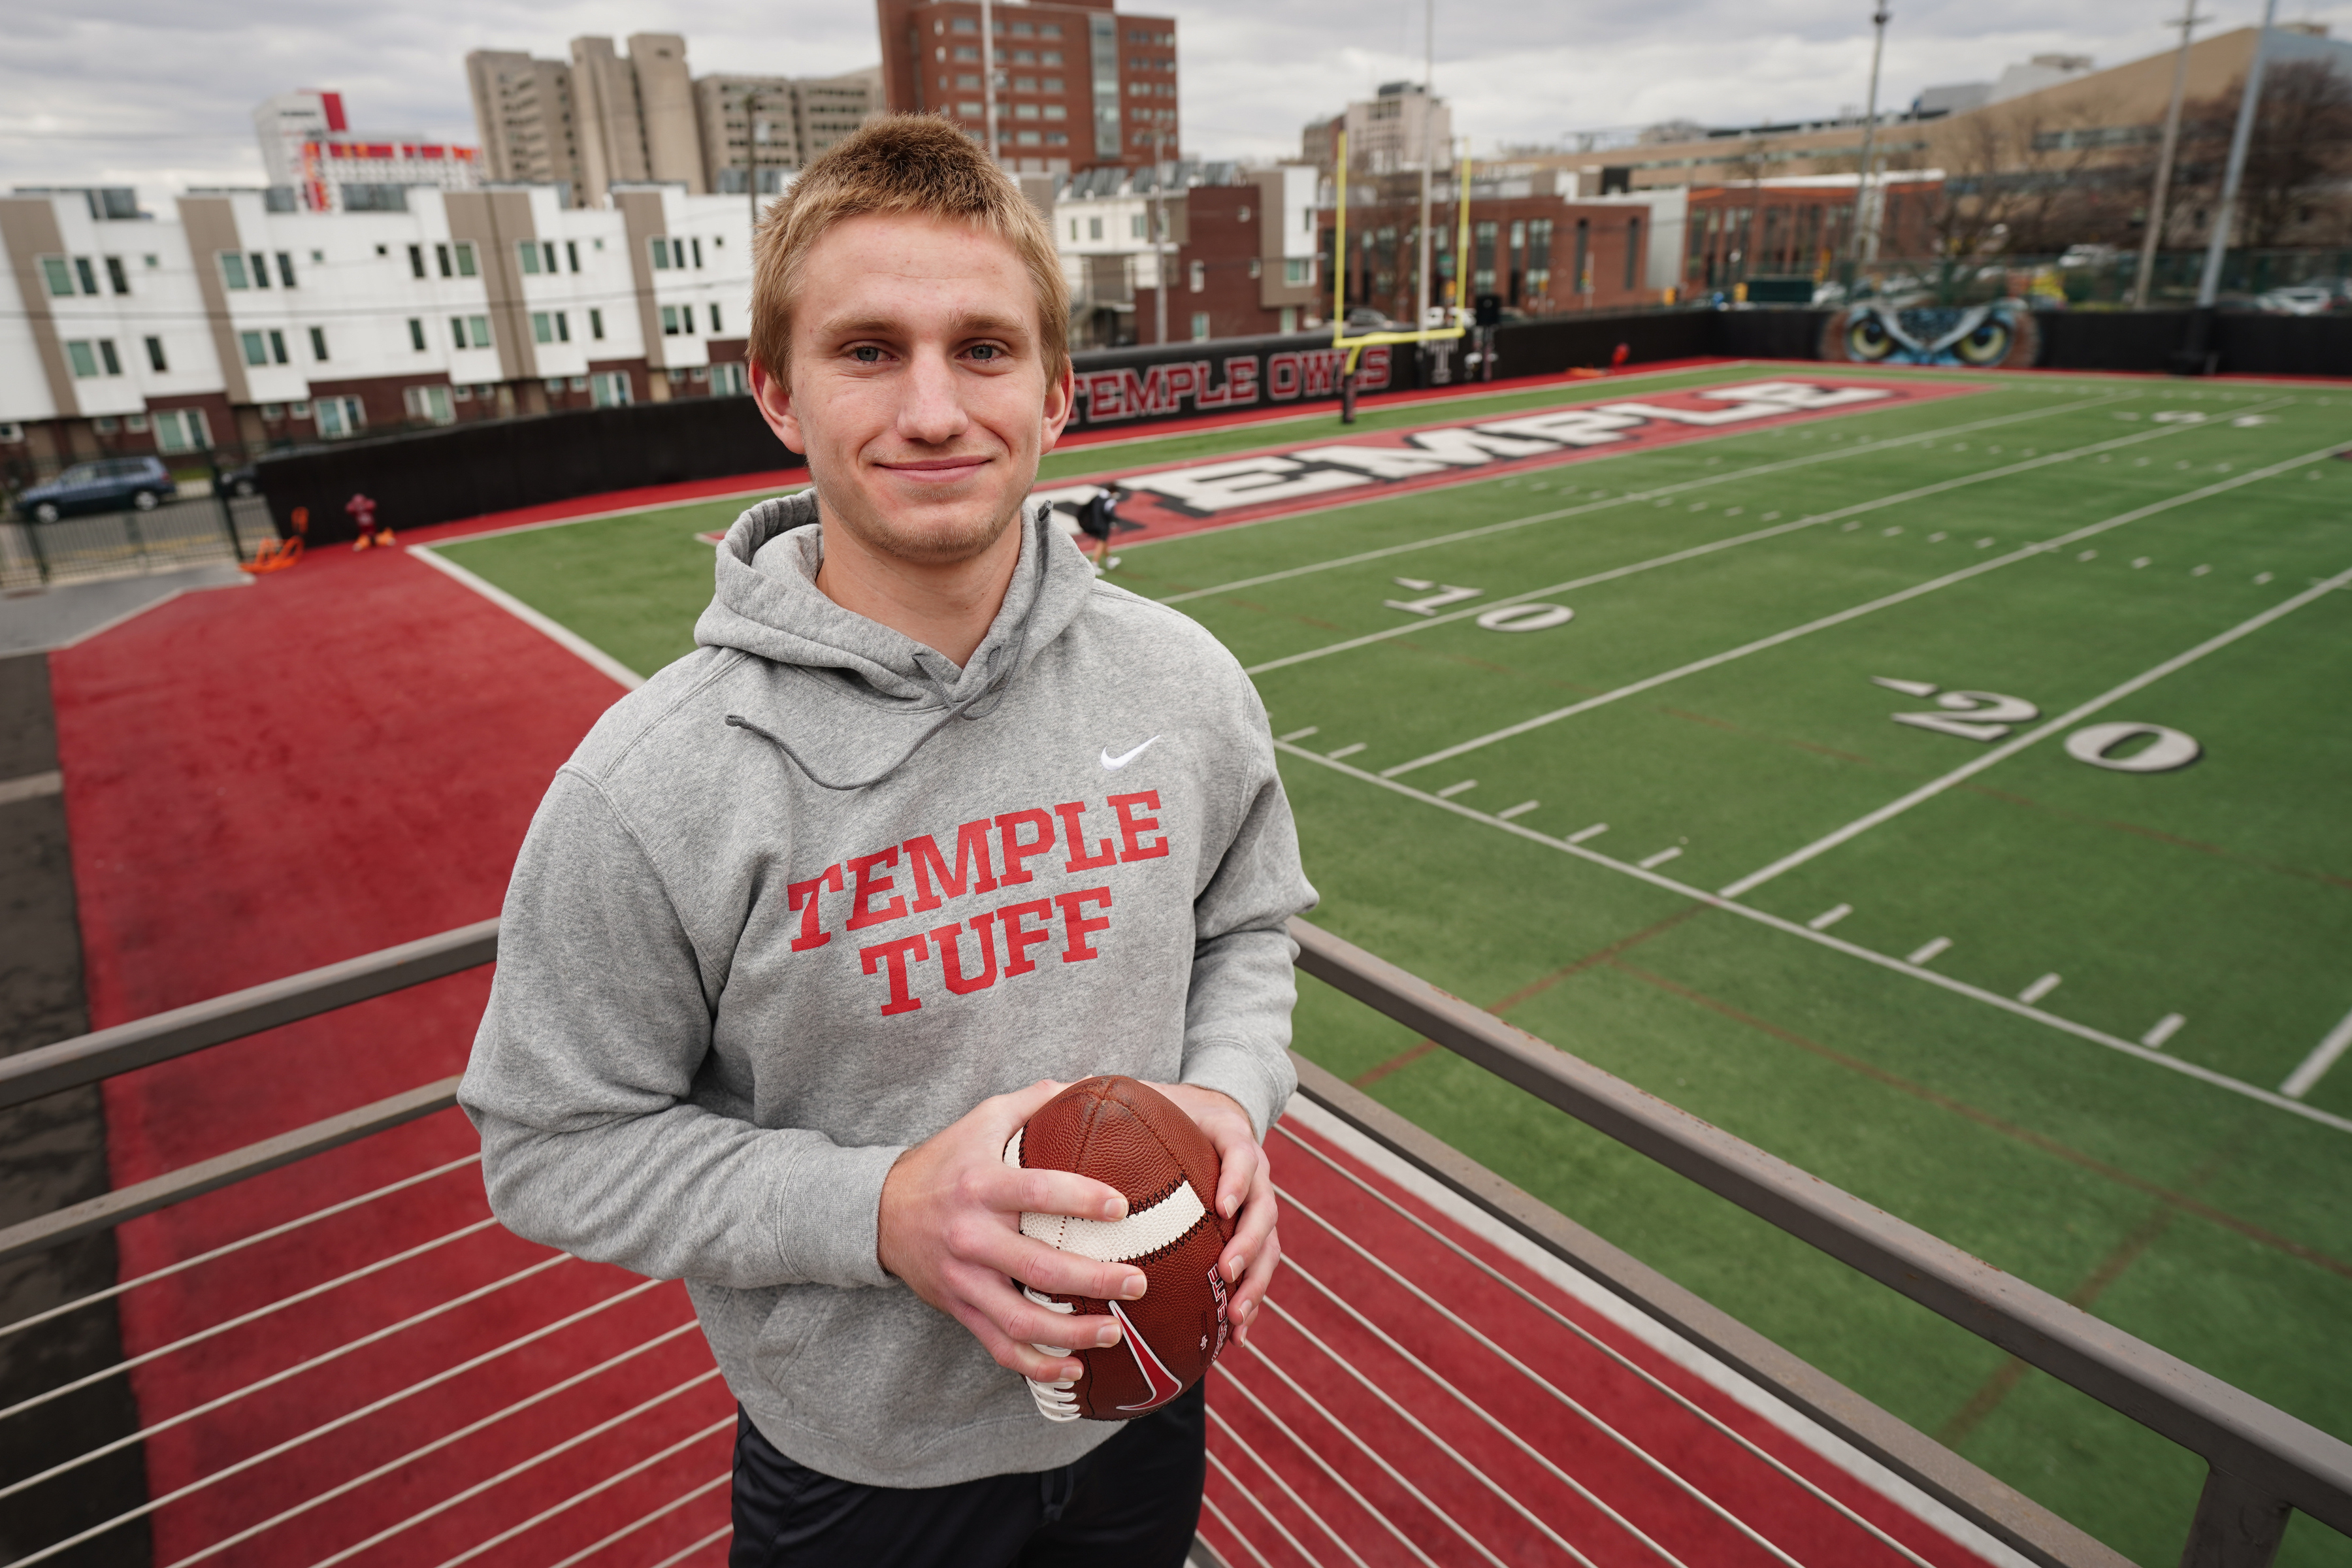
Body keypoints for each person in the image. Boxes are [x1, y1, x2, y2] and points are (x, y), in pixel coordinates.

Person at [458, 115, 1314, 1568]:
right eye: (870, 351)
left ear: (1058, 391)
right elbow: (549, 1144)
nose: (933, 410)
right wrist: (881, 1212)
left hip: (1149, 1405)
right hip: (861, 1477)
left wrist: (1231, 1101)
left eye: (983, 349)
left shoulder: (1183, 683)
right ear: (777, 393)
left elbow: (1246, 926)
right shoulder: (652, 784)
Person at [1064, 483, 1130, 574]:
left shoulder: (1098, 496)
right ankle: (1094, 564)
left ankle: (1109, 560)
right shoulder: (1110, 501)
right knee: (1101, 543)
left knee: (1103, 542)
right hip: (1102, 525)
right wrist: (1115, 521)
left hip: (1092, 523)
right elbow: (1109, 513)